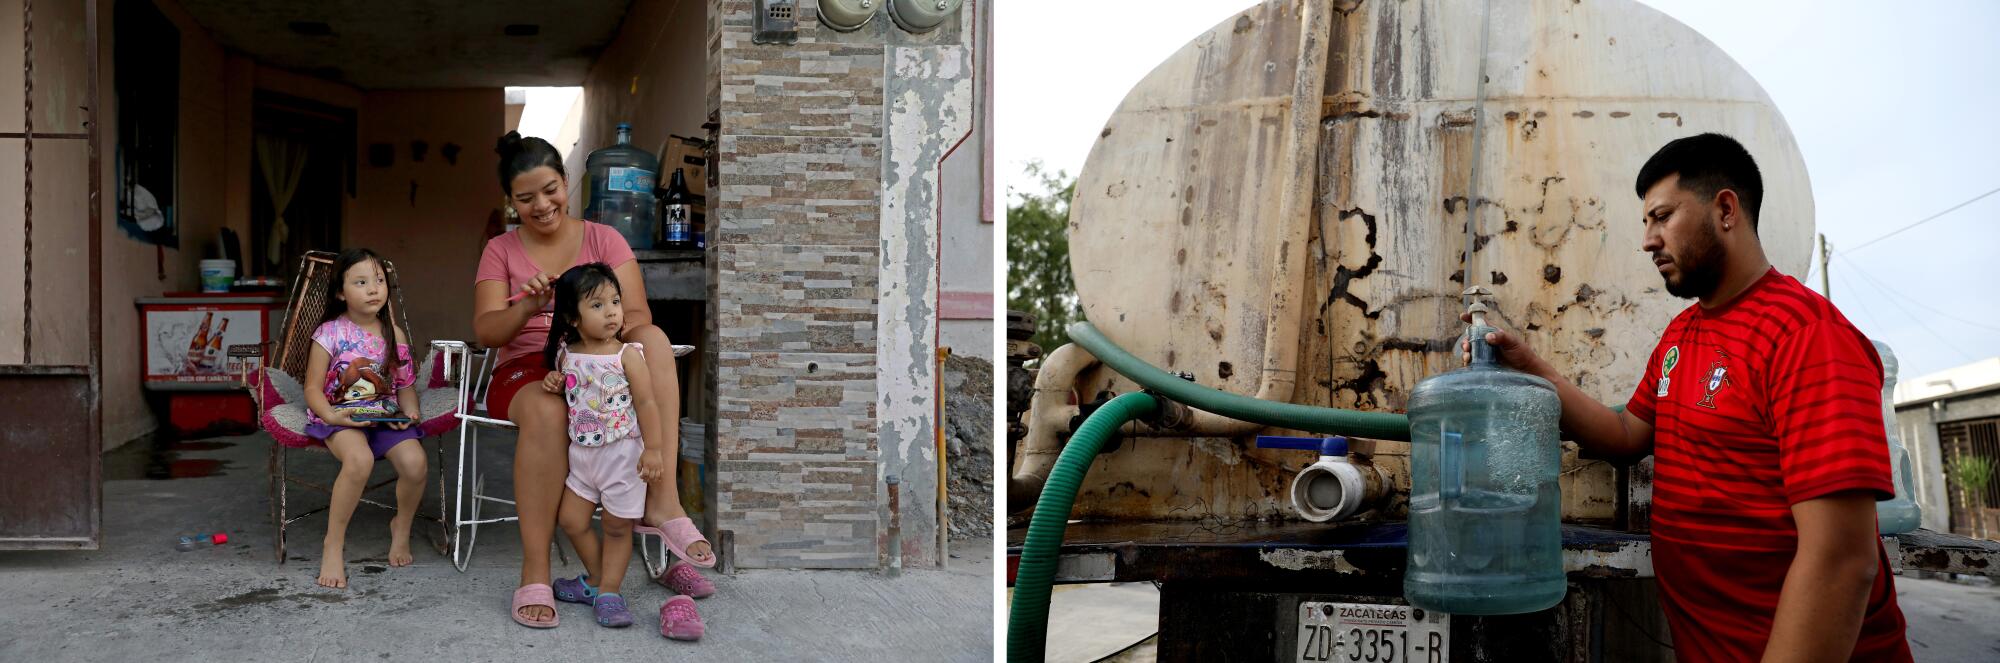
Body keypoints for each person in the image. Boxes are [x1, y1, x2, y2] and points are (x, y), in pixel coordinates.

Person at [1470, 133, 1911, 661]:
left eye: (1662, 217)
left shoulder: (1807, 337)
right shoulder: (1684, 333)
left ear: (1726, 209)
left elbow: (1841, 559)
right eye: (1646, 223)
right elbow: (1629, 435)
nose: (1648, 240)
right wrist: (1533, 370)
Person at [476, 132, 715, 630]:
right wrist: (529, 306)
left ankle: (663, 498)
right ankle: (536, 569)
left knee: (650, 337)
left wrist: (588, 326)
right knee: (548, 409)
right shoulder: (500, 249)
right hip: (527, 370)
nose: (542, 205)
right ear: (511, 202)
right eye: (526, 198)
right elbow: (485, 330)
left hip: (600, 367)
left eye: (550, 190)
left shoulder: (604, 239)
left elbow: (634, 314)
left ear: (567, 183)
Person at [536, 263, 703, 638]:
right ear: (571, 317)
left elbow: (646, 403)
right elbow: (573, 388)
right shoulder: (567, 351)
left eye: (615, 301)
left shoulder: (628, 355)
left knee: (615, 527)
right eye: (597, 305)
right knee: (572, 521)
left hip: (623, 458)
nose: (612, 311)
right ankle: (596, 580)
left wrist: (655, 451)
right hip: (582, 458)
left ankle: (609, 592)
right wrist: (555, 381)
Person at [300, 248, 426, 589]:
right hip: (338, 413)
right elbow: (311, 387)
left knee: (415, 464)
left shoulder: (394, 335)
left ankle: (401, 525)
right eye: (361, 282)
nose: (373, 289)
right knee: (359, 460)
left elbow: (405, 386)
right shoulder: (329, 333)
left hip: (383, 415)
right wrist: (332, 416)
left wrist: (409, 413)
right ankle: (333, 543)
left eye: (379, 281)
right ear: (341, 292)